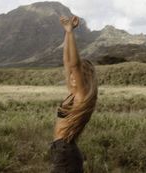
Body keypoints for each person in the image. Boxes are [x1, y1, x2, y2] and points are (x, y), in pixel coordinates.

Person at [49, 15, 98, 173]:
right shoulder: (72, 93)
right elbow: (67, 62)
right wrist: (66, 33)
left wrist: (71, 32)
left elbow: (75, 65)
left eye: (77, 74)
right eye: (71, 74)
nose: (73, 76)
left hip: (66, 152)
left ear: (86, 78)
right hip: (61, 150)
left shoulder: (82, 96)